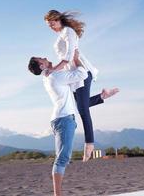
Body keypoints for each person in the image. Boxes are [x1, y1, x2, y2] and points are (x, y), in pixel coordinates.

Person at [28, 55, 116, 196]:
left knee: (61, 158)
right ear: (41, 66)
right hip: (64, 120)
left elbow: (76, 104)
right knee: (62, 159)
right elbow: (82, 73)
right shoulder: (55, 76)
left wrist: (101, 97)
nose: (45, 57)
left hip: (61, 119)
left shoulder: (50, 77)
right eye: (41, 59)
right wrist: (75, 58)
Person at [44, 10, 119, 161]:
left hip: (81, 72)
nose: (51, 27)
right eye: (48, 25)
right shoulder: (62, 34)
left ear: (58, 19)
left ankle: (89, 144)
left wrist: (53, 69)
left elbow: (69, 56)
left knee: (83, 110)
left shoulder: (68, 31)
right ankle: (103, 95)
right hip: (73, 76)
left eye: (52, 23)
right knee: (80, 106)